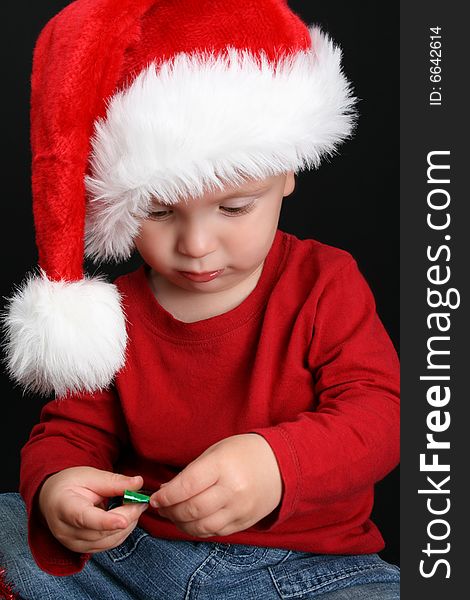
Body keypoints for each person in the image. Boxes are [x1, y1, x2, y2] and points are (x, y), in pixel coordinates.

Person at [0, 1, 400, 598]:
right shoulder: (116, 313)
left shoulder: (325, 282)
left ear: (287, 172)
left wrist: (276, 464)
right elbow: (69, 431)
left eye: (234, 208)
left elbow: (382, 414)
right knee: (14, 516)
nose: (195, 245)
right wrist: (62, 487)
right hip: (137, 552)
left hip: (308, 570)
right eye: (159, 212)